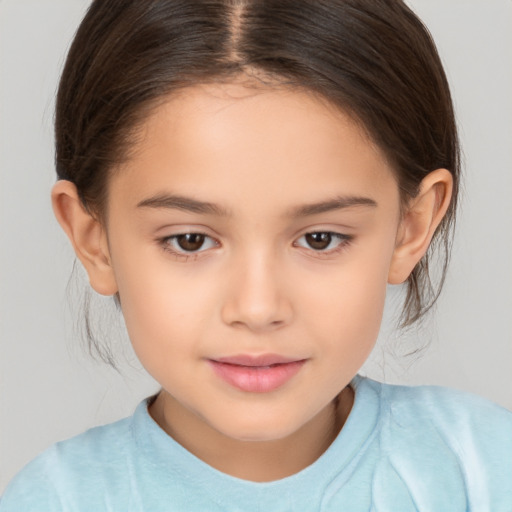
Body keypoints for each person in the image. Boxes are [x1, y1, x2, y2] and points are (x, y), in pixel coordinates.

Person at [1, 0, 511, 510]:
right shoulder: (57, 500)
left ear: (411, 227)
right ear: (94, 239)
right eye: (190, 240)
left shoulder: (484, 469)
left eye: (320, 238)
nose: (258, 308)